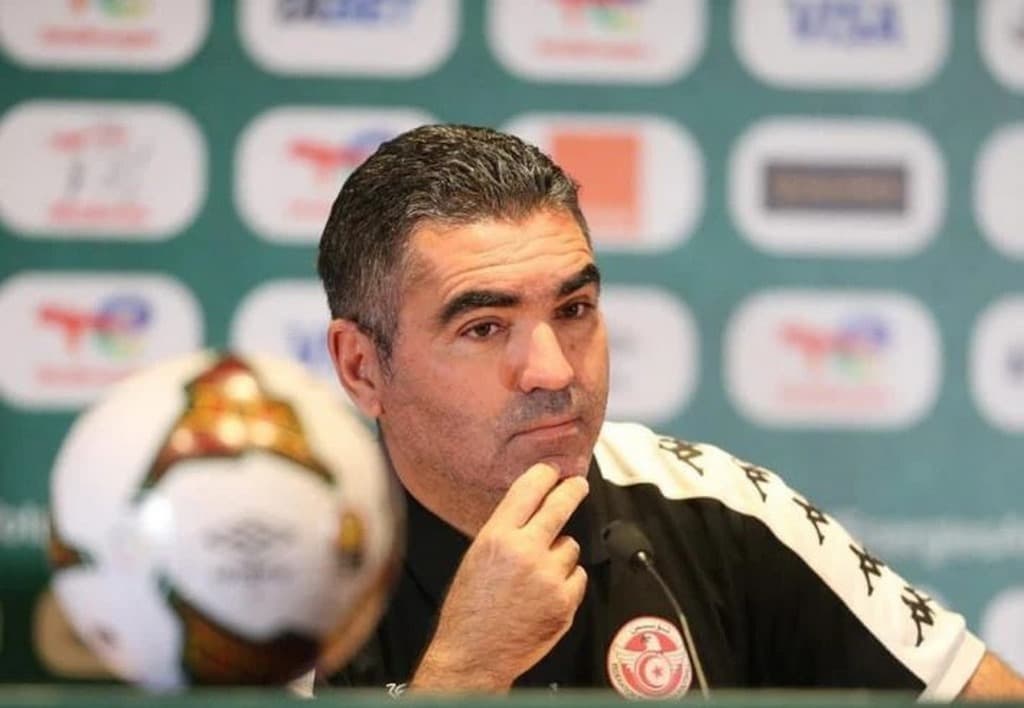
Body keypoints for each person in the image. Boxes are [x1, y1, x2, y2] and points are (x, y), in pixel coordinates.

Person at [316, 124, 1024, 699]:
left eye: (574, 310)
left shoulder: (721, 508)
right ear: (361, 367)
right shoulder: (285, 565)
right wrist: (465, 672)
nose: (554, 370)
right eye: (484, 328)